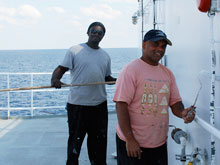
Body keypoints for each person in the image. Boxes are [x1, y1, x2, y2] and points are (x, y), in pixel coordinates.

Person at [113, 29, 195, 165]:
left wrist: (183, 113)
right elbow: (121, 105)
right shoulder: (130, 70)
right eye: (155, 44)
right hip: (134, 143)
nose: (160, 49)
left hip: (159, 143)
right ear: (144, 45)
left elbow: (175, 102)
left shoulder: (167, 74)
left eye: (163, 46)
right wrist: (130, 139)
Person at [51, 22, 116, 165]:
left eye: (100, 33)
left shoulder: (105, 56)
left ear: (103, 36)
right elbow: (61, 69)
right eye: (93, 31)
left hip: (99, 106)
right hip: (77, 106)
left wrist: (119, 80)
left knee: (99, 144)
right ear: (88, 32)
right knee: (75, 142)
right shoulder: (74, 50)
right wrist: (55, 79)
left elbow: (106, 78)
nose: (96, 34)